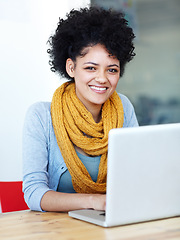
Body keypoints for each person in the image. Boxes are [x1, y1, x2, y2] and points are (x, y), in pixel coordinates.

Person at [23, 6, 138, 212]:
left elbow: (136, 175)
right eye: (90, 68)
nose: (102, 78)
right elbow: (33, 193)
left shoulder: (124, 108)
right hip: (57, 229)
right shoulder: (41, 116)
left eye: (112, 70)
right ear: (71, 68)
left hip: (111, 224)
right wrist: (93, 201)